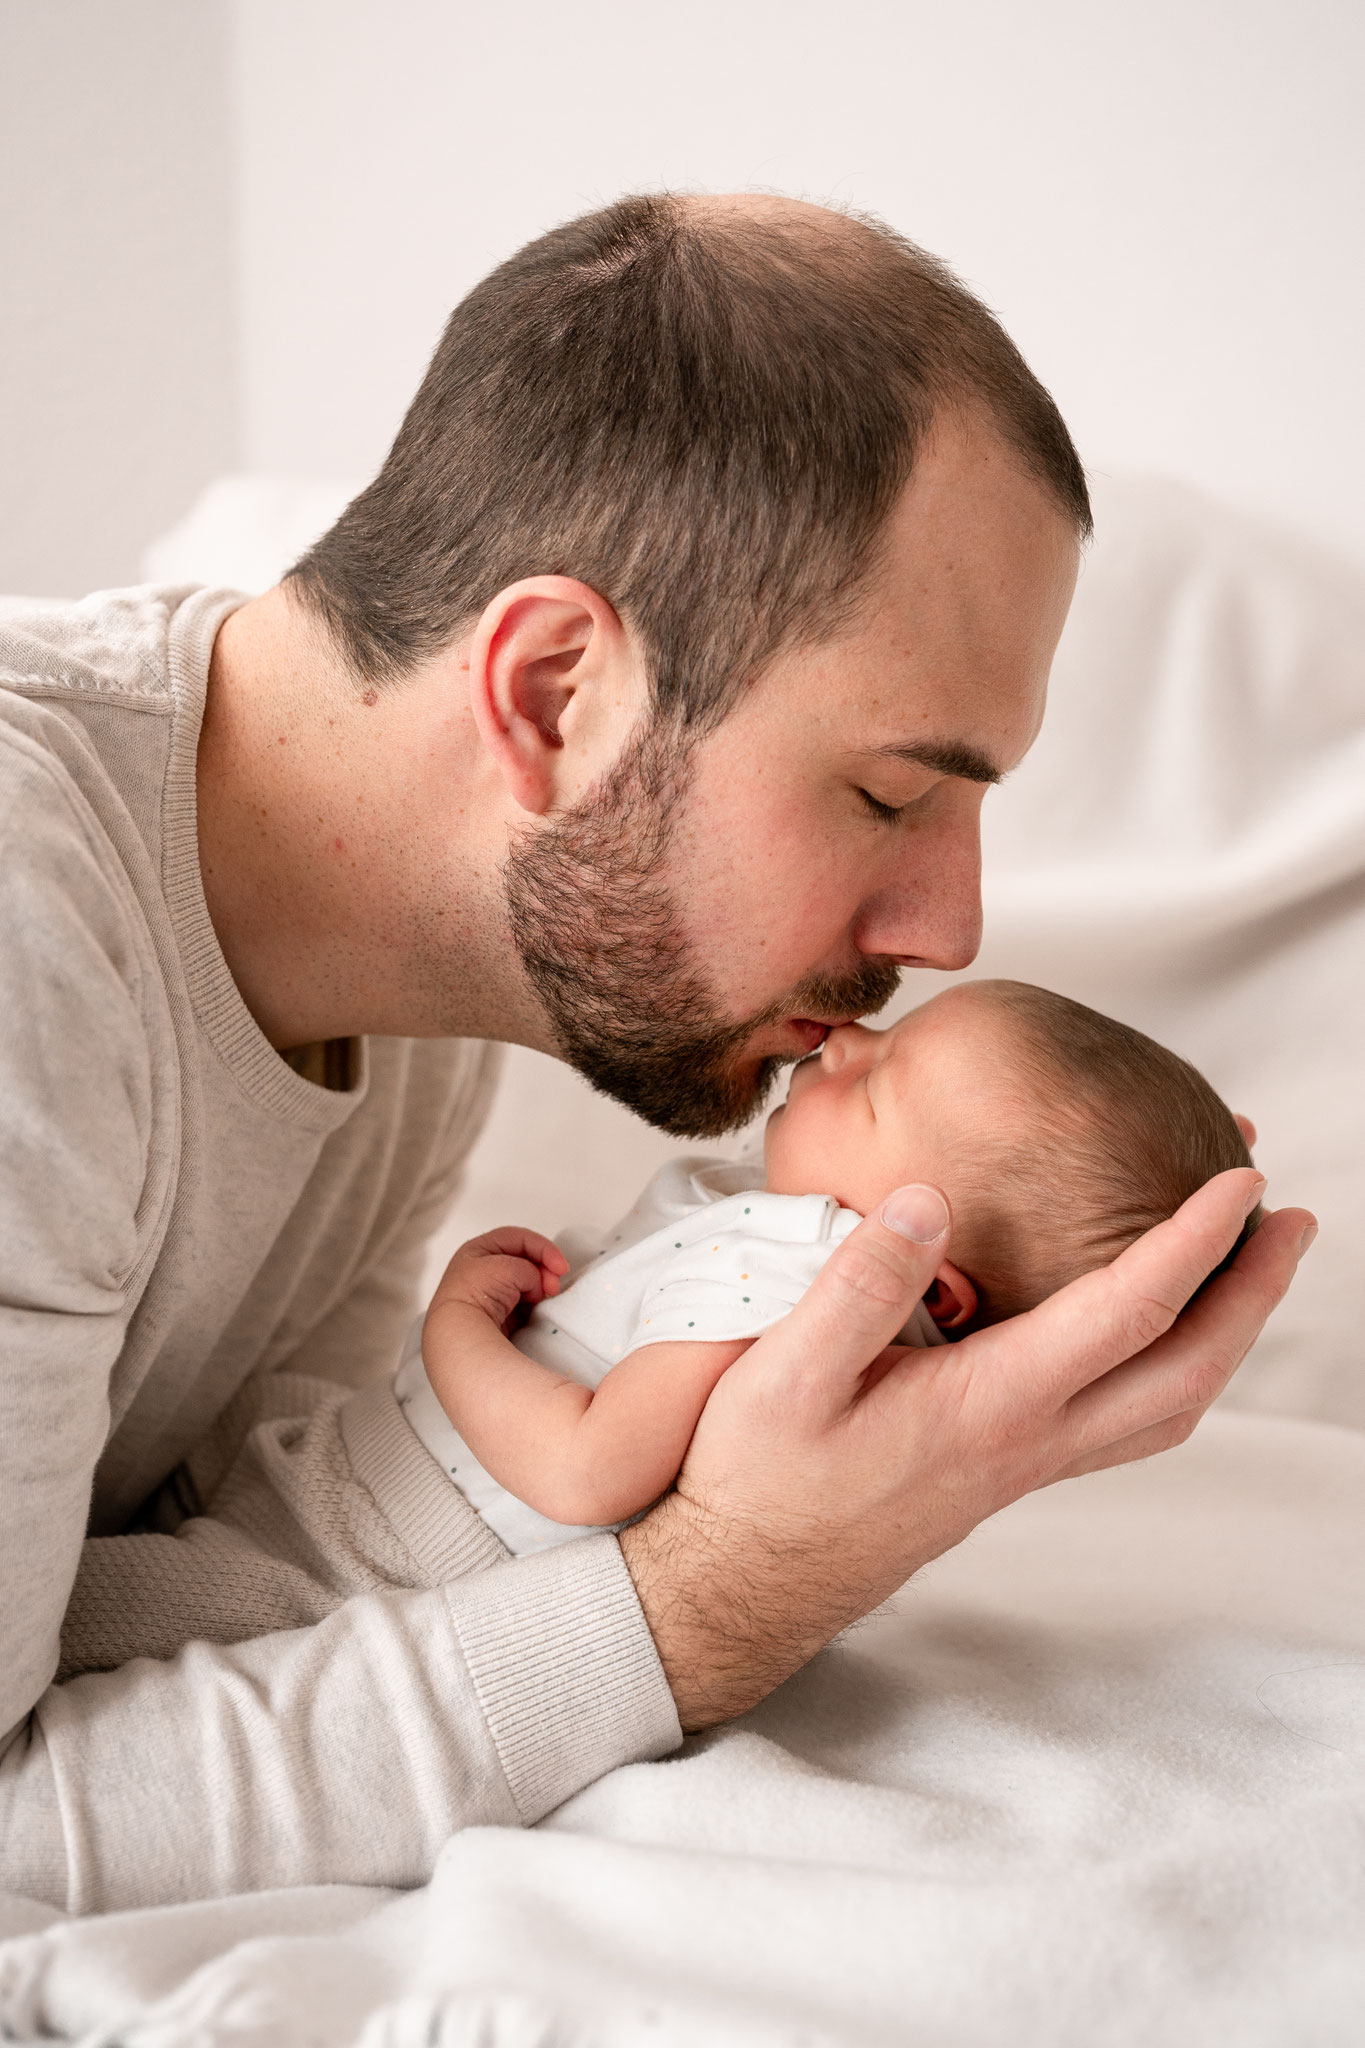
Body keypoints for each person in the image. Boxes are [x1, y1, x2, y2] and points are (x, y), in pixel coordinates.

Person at [0, 193, 1312, 1915]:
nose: (953, 928)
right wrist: (735, 1588)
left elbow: (229, 1564)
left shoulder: (425, 990)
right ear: (555, 691)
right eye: (891, 793)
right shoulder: (29, 931)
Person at [54, 976, 1267, 1660]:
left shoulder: (796, 1273)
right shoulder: (786, 1229)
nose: (847, 1039)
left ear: (928, 1283)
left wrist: (459, 1325)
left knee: (77, 1628)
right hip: (350, 1488)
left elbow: (589, 1464)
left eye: (878, 1083)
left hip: (365, 1563)